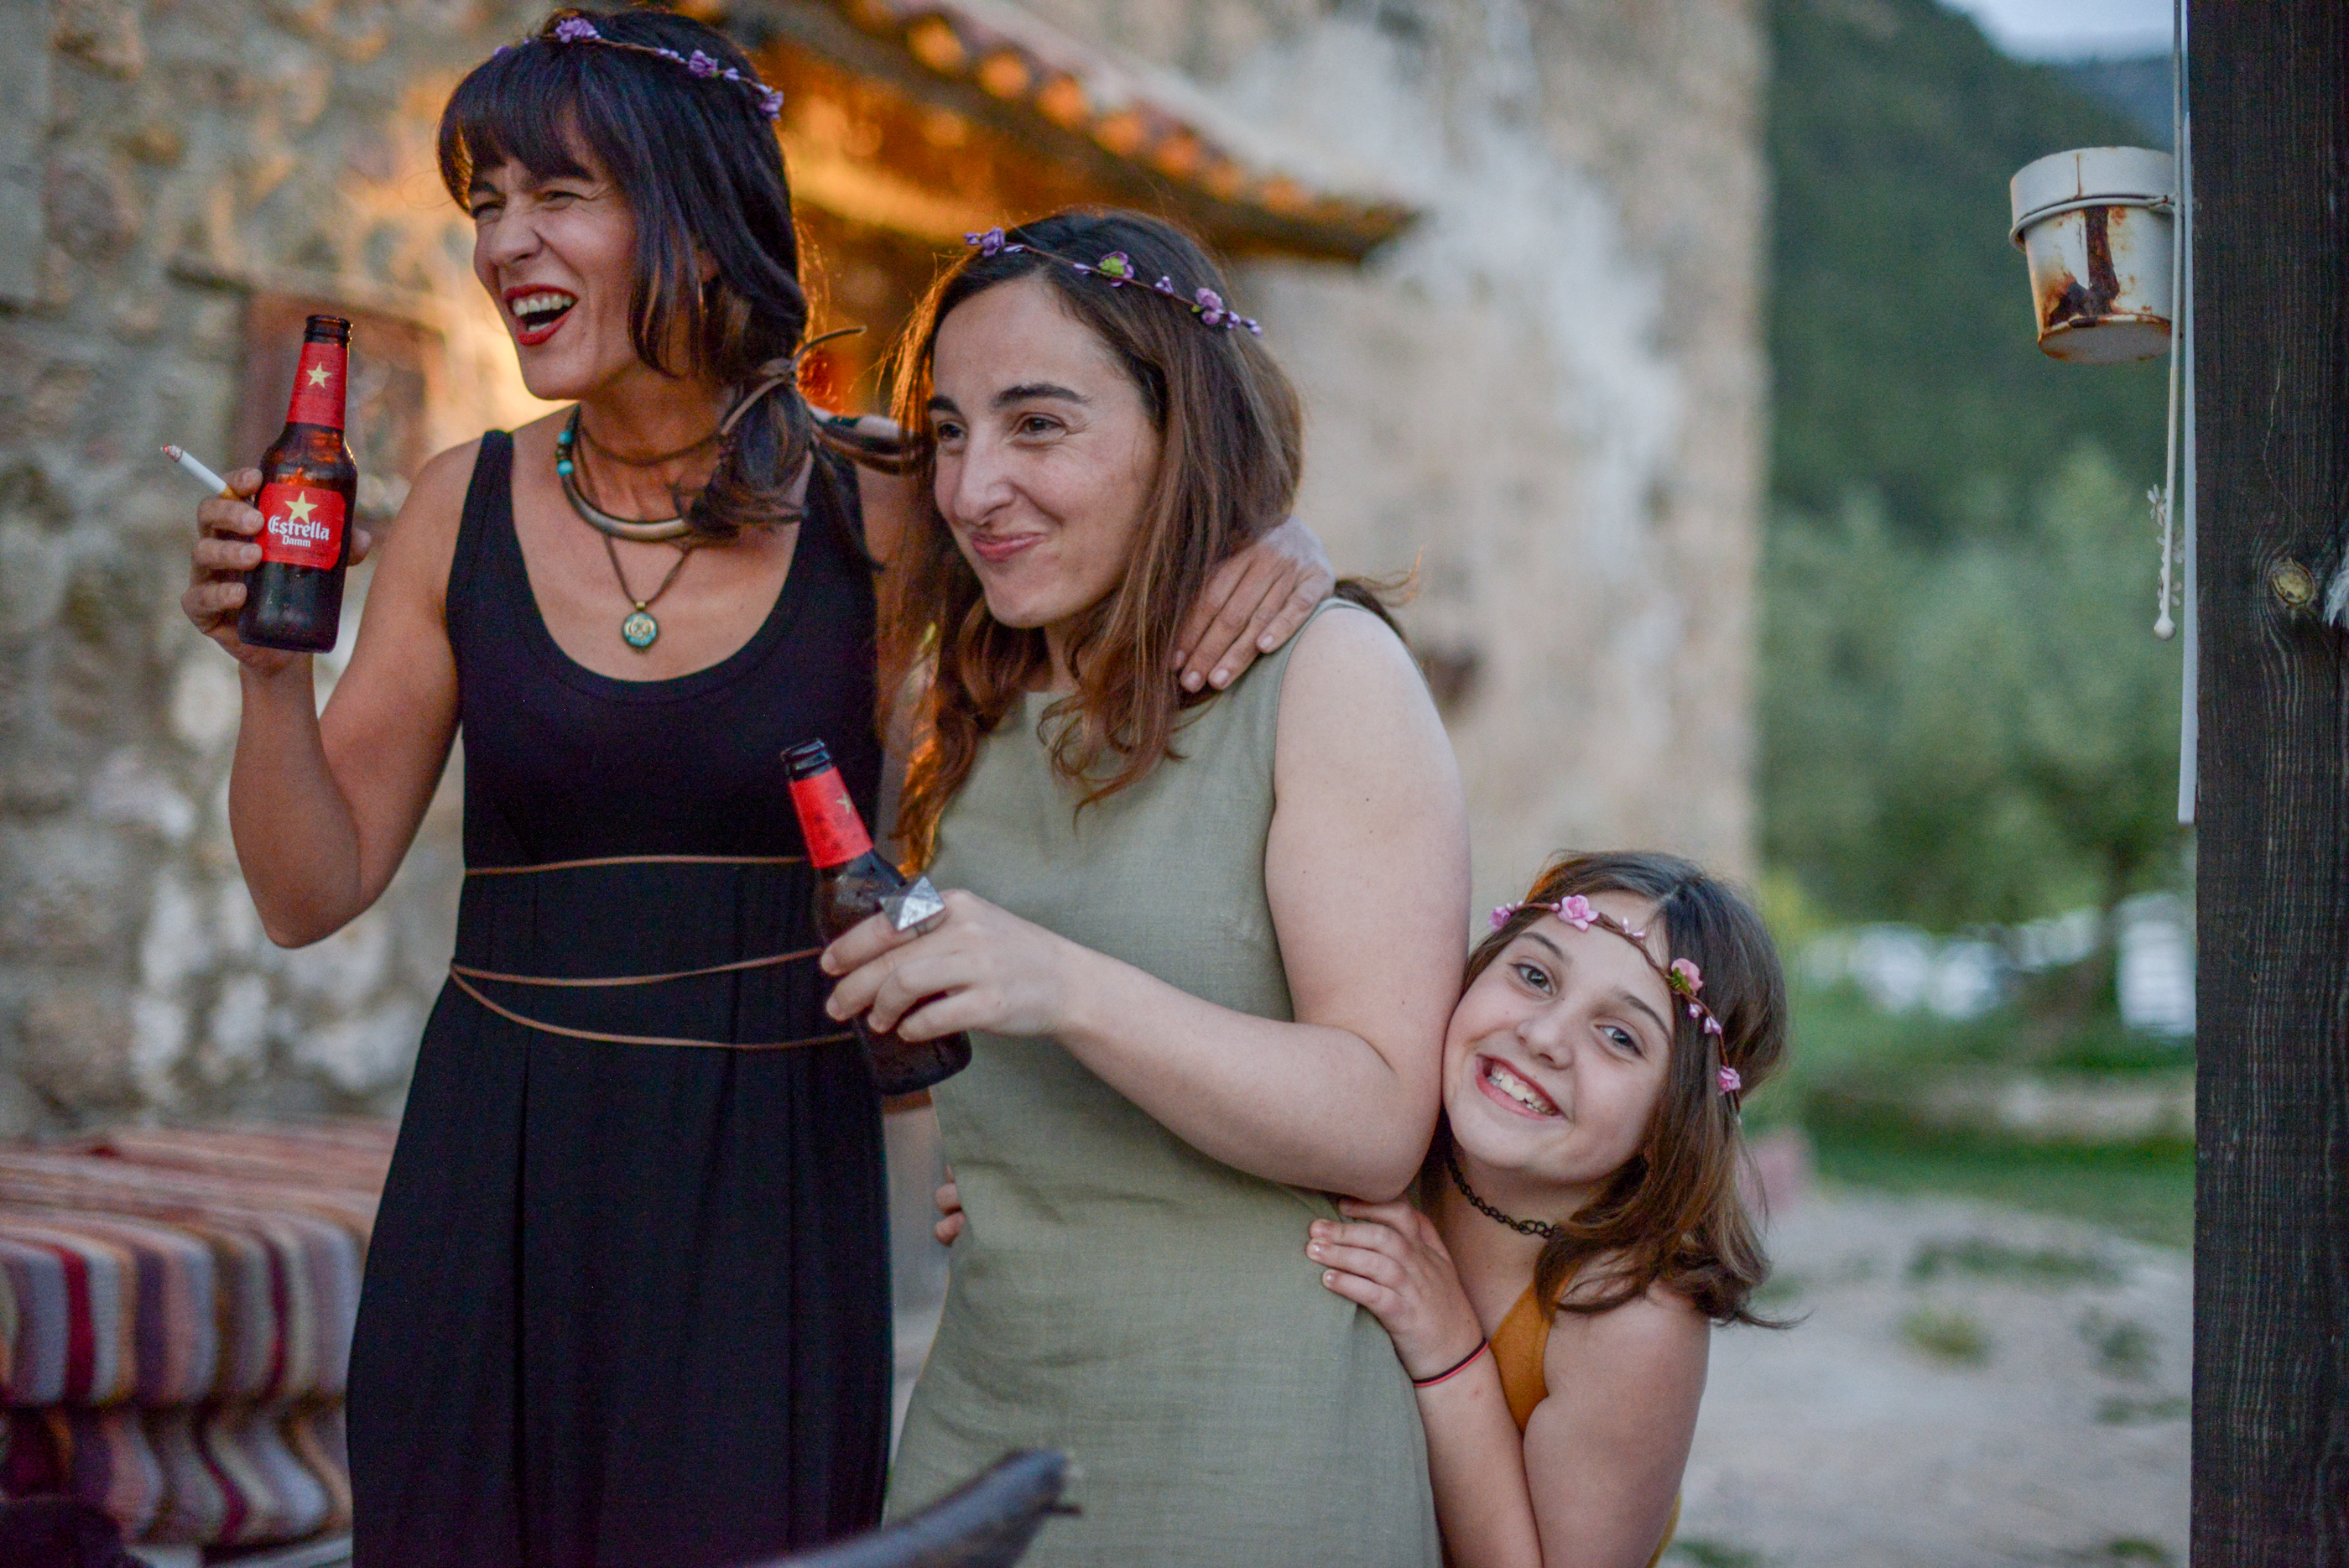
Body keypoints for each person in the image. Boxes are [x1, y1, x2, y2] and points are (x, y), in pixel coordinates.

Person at [176, 13, 1328, 1565]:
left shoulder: (889, 504)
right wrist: (269, 675)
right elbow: (305, 893)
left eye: (558, 194)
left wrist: (1278, 543)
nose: (505, 242)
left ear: (700, 213)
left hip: (767, 1190)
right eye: (486, 204)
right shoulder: (462, 506)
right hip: (492, 1175)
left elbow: (1123, 540)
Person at [819, 210, 1471, 1567]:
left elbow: (1379, 1121)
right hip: (979, 1419)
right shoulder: (965, 704)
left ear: (1183, 430)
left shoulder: (1326, 675)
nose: (973, 486)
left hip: (1251, 1442)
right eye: (949, 431)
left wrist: (1060, 984)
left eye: (1038, 424)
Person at [1309, 852, 1789, 1568]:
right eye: (1535, 976)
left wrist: (1450, 1354)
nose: (1543, 1036)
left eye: (1620, 1035)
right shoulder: (1376, 1136)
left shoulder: (1631, 1316)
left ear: (1675, 1120)